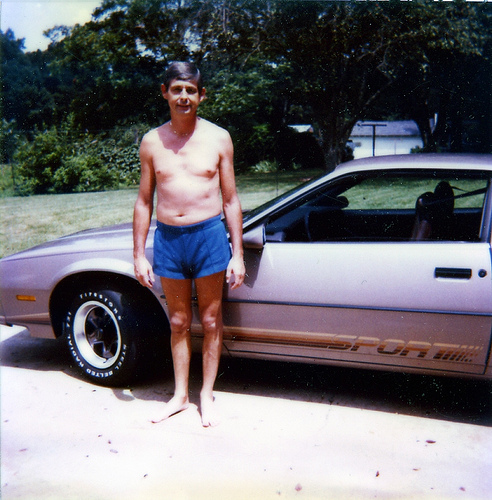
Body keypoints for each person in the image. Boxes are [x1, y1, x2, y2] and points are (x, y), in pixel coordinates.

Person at [133, 62, 245, 427]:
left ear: (202, 95)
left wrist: (238, 255)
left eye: (191, 91)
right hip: (168, 239)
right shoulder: (152, 142)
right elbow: (144, 201)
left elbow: (231, 200)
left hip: (208, 236)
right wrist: (138, 255)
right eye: (177, 89)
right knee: (179, 321)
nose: (184, 97)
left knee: (211, 320)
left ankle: (205, 395)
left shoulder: (219, 138)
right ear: (164, 92)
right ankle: (180, 395)